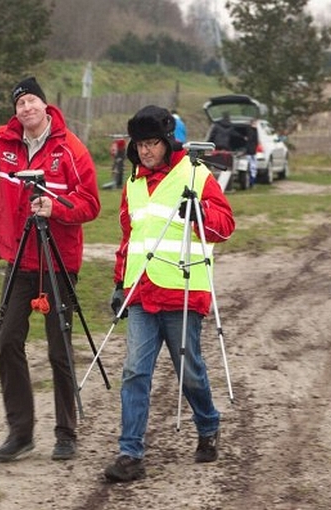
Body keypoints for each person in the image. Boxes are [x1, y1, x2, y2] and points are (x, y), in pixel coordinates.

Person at [0, 63, 101, 463]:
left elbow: (91, 205)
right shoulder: (4, 144)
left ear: (45, 105)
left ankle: (66, 433)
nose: (25, 108)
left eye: (31, 99)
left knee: (59, 349)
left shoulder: (71, 149)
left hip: (58, 260)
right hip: (19, 259)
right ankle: (20, 432)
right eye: (19, 102)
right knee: (8, 340)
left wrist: (56, 207)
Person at [103, 105, 235, 483]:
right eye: (140, 144)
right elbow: (130, 238)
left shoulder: (194, 173)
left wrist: (200, 214)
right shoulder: (132, 184)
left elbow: (225, 226)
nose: (145, 151)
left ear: (166, 142)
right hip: (142, 293)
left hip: (182, 291)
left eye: (152, 143)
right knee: (134, 371)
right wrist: (119, 284)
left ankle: (208, 424)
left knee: (189, 371)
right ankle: (131, 454)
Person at [245, 118, 259, 187]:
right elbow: (251, 141)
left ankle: (252, 181)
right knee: (251, 167)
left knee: (253, 167)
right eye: (255, 123)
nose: (256, 125)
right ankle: (251, 182)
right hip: (250, 152)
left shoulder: (255, 131)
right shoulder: (251, 131)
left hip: (253, 152)